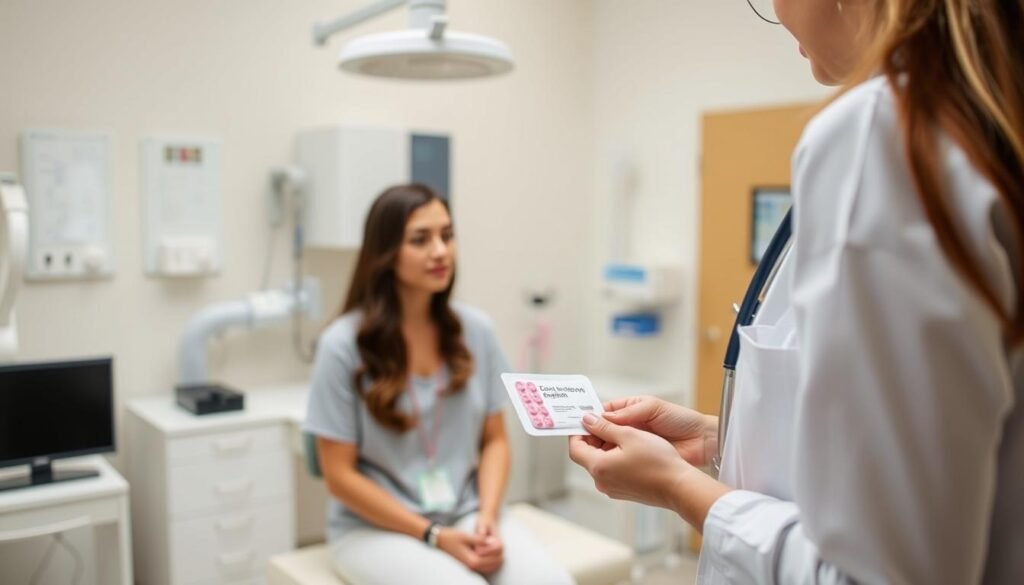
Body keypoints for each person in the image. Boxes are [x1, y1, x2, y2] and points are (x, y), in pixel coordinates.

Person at [569, 0, 1024, 583]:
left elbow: (881, 574)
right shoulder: (983, 122)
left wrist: (678, 488)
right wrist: (718, 439)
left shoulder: (880, 136)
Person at [304, 184, 574, 585]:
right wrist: (433, 535)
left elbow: (495, 440)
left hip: (466, 511)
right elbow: (339, 477)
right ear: (386, 252)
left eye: (447, 235)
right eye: (420, 239)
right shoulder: (342, 346)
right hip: (375, 529)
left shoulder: (476, 331)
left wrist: (486, 517)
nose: (440, 250)